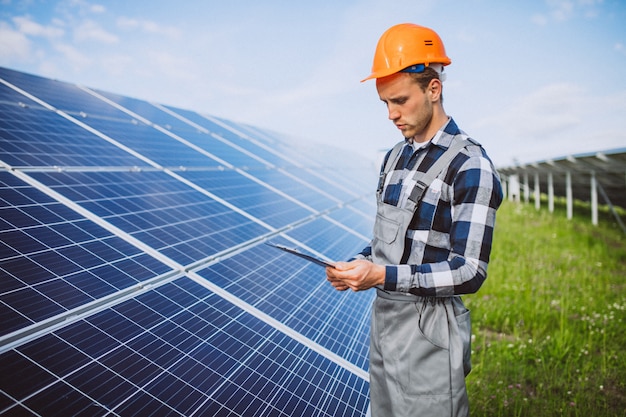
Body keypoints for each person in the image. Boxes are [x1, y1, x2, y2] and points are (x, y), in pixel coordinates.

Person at [326, 23, 503, 417]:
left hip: (430, 332)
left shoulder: (470, 164)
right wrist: (360, 262)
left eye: (400, 100)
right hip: (385, 322)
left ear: (433, 89)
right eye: (384, 103)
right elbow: (390, 244)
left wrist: (382, 276)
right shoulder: (393, 158)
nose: (391, 114)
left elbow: (470, 271)